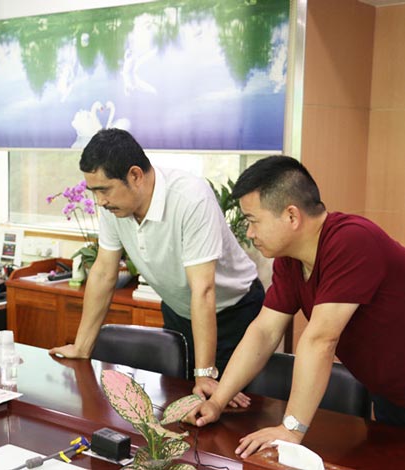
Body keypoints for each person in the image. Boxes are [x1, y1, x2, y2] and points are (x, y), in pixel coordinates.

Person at [188, 156, 405, 458]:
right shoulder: (290, 261)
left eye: (253, 221)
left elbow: (320, 340)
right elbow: (264, 332)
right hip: (391, 394)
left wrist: (291, 429)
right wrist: (217, 401)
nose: (249, 233)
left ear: (291, 216)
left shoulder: (352, 240)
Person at [49, 129, 264, 404]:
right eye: (94, 192)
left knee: (223, 408)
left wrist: (204, 374)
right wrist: (81, 347)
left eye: (104, 190)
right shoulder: (115, 208)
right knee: (175, 402)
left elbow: (204, 290)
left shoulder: (190, 198)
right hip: (179, 312)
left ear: (135, 176)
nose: (100, 201)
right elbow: (103, 273)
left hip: (234, 313)